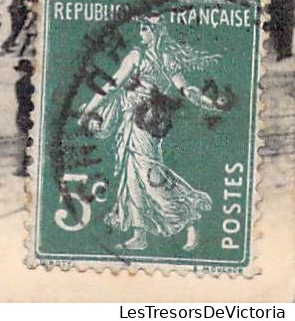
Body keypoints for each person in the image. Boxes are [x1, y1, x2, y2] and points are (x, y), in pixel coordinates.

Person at [75, 17, 227, 251]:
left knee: (150, 175)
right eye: (140, 27)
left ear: (156, 32)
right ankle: (140, 235)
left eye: (145, 28)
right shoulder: (143, 56)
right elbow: (113, 85)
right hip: (133, 123)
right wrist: (90, 108)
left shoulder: (156, 57)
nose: (141, 32)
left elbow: (184, 88)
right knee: (132, 177)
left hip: (149, 123)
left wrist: (205, 102)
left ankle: (189, 219)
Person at [14, 58, 35, 178]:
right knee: (27, 141)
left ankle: (21, 167)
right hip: (27, 114)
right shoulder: (31, 84)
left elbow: (21, 100)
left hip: (22, 114)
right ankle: (24, 167)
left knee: (22, 141)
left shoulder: (20, 84)